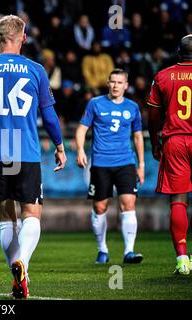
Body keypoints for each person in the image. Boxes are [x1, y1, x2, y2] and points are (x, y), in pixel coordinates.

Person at [0, 15, 66, 299]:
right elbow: (50, 116)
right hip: (27, 152)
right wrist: (59, 145)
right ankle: (24, 265)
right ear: (24, 38)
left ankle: (19, 279)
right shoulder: (36, 69)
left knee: (7, 218)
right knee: (32, 213)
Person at [75, 68, 145, 265]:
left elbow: (138, 136)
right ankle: (102, 250)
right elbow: (81, 129)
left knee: (128, 204)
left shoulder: (132, 107)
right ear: (108, 83)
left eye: (119, 82)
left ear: (126, 85)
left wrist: (140, 164)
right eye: (113, 82)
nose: (115, 85)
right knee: (100, 207)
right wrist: (80, 150)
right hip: (101, 163)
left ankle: (129, 251)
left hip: (125, 163)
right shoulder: (95, 104)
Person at [147, 34, 192, 275]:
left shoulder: (163, 76)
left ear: (178, 53)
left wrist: (155, 143)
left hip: (175, 141)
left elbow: (153, 117)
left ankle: (182, 259)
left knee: (178, 200)